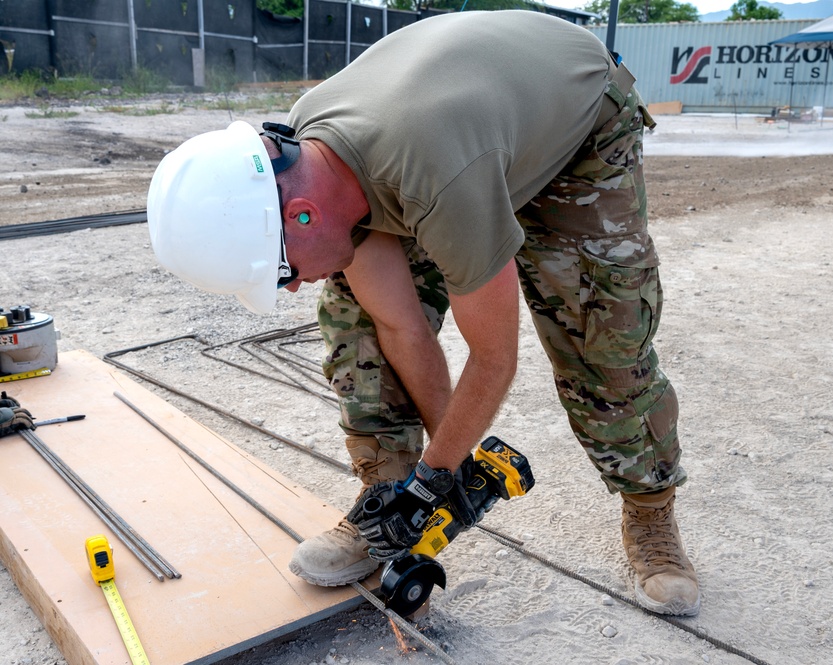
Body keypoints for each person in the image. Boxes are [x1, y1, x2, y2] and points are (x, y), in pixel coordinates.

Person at [146, 9, 699, 616]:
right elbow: (399, 324)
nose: (294, 289)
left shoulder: (437, 179)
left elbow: (494, 359)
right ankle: (384, 501)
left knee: (600, 335)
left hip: (577, 122)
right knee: (358, 317)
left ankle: (650, 513)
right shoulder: (314, 161)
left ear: (302, 214)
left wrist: (434, 479)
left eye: (283, 272)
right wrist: (440, 479)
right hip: (465, 135)